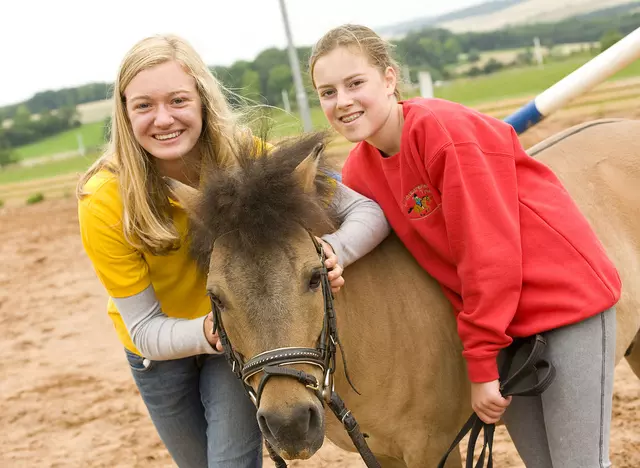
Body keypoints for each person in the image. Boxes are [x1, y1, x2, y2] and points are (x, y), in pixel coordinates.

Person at [309, 24, 621, 468]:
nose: (342, 101)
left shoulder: (442, 132)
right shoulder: (360, 172)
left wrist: (479, 366)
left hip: (562, 304)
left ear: (389, 78)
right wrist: (333, 258)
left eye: (354, 83)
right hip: (505, 326)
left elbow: (487, 259)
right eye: (327, 92)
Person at [76, 34, 390, 468]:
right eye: (144, 105)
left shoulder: (245, 162)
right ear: (124, 112)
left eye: (178, 100)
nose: (163, 118)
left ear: (203, 100)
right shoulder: (104, 200)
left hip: (237, 336)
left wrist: (330, 251)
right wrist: (207, 331)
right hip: (160, 353)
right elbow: (145, 329)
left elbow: (366, 212)